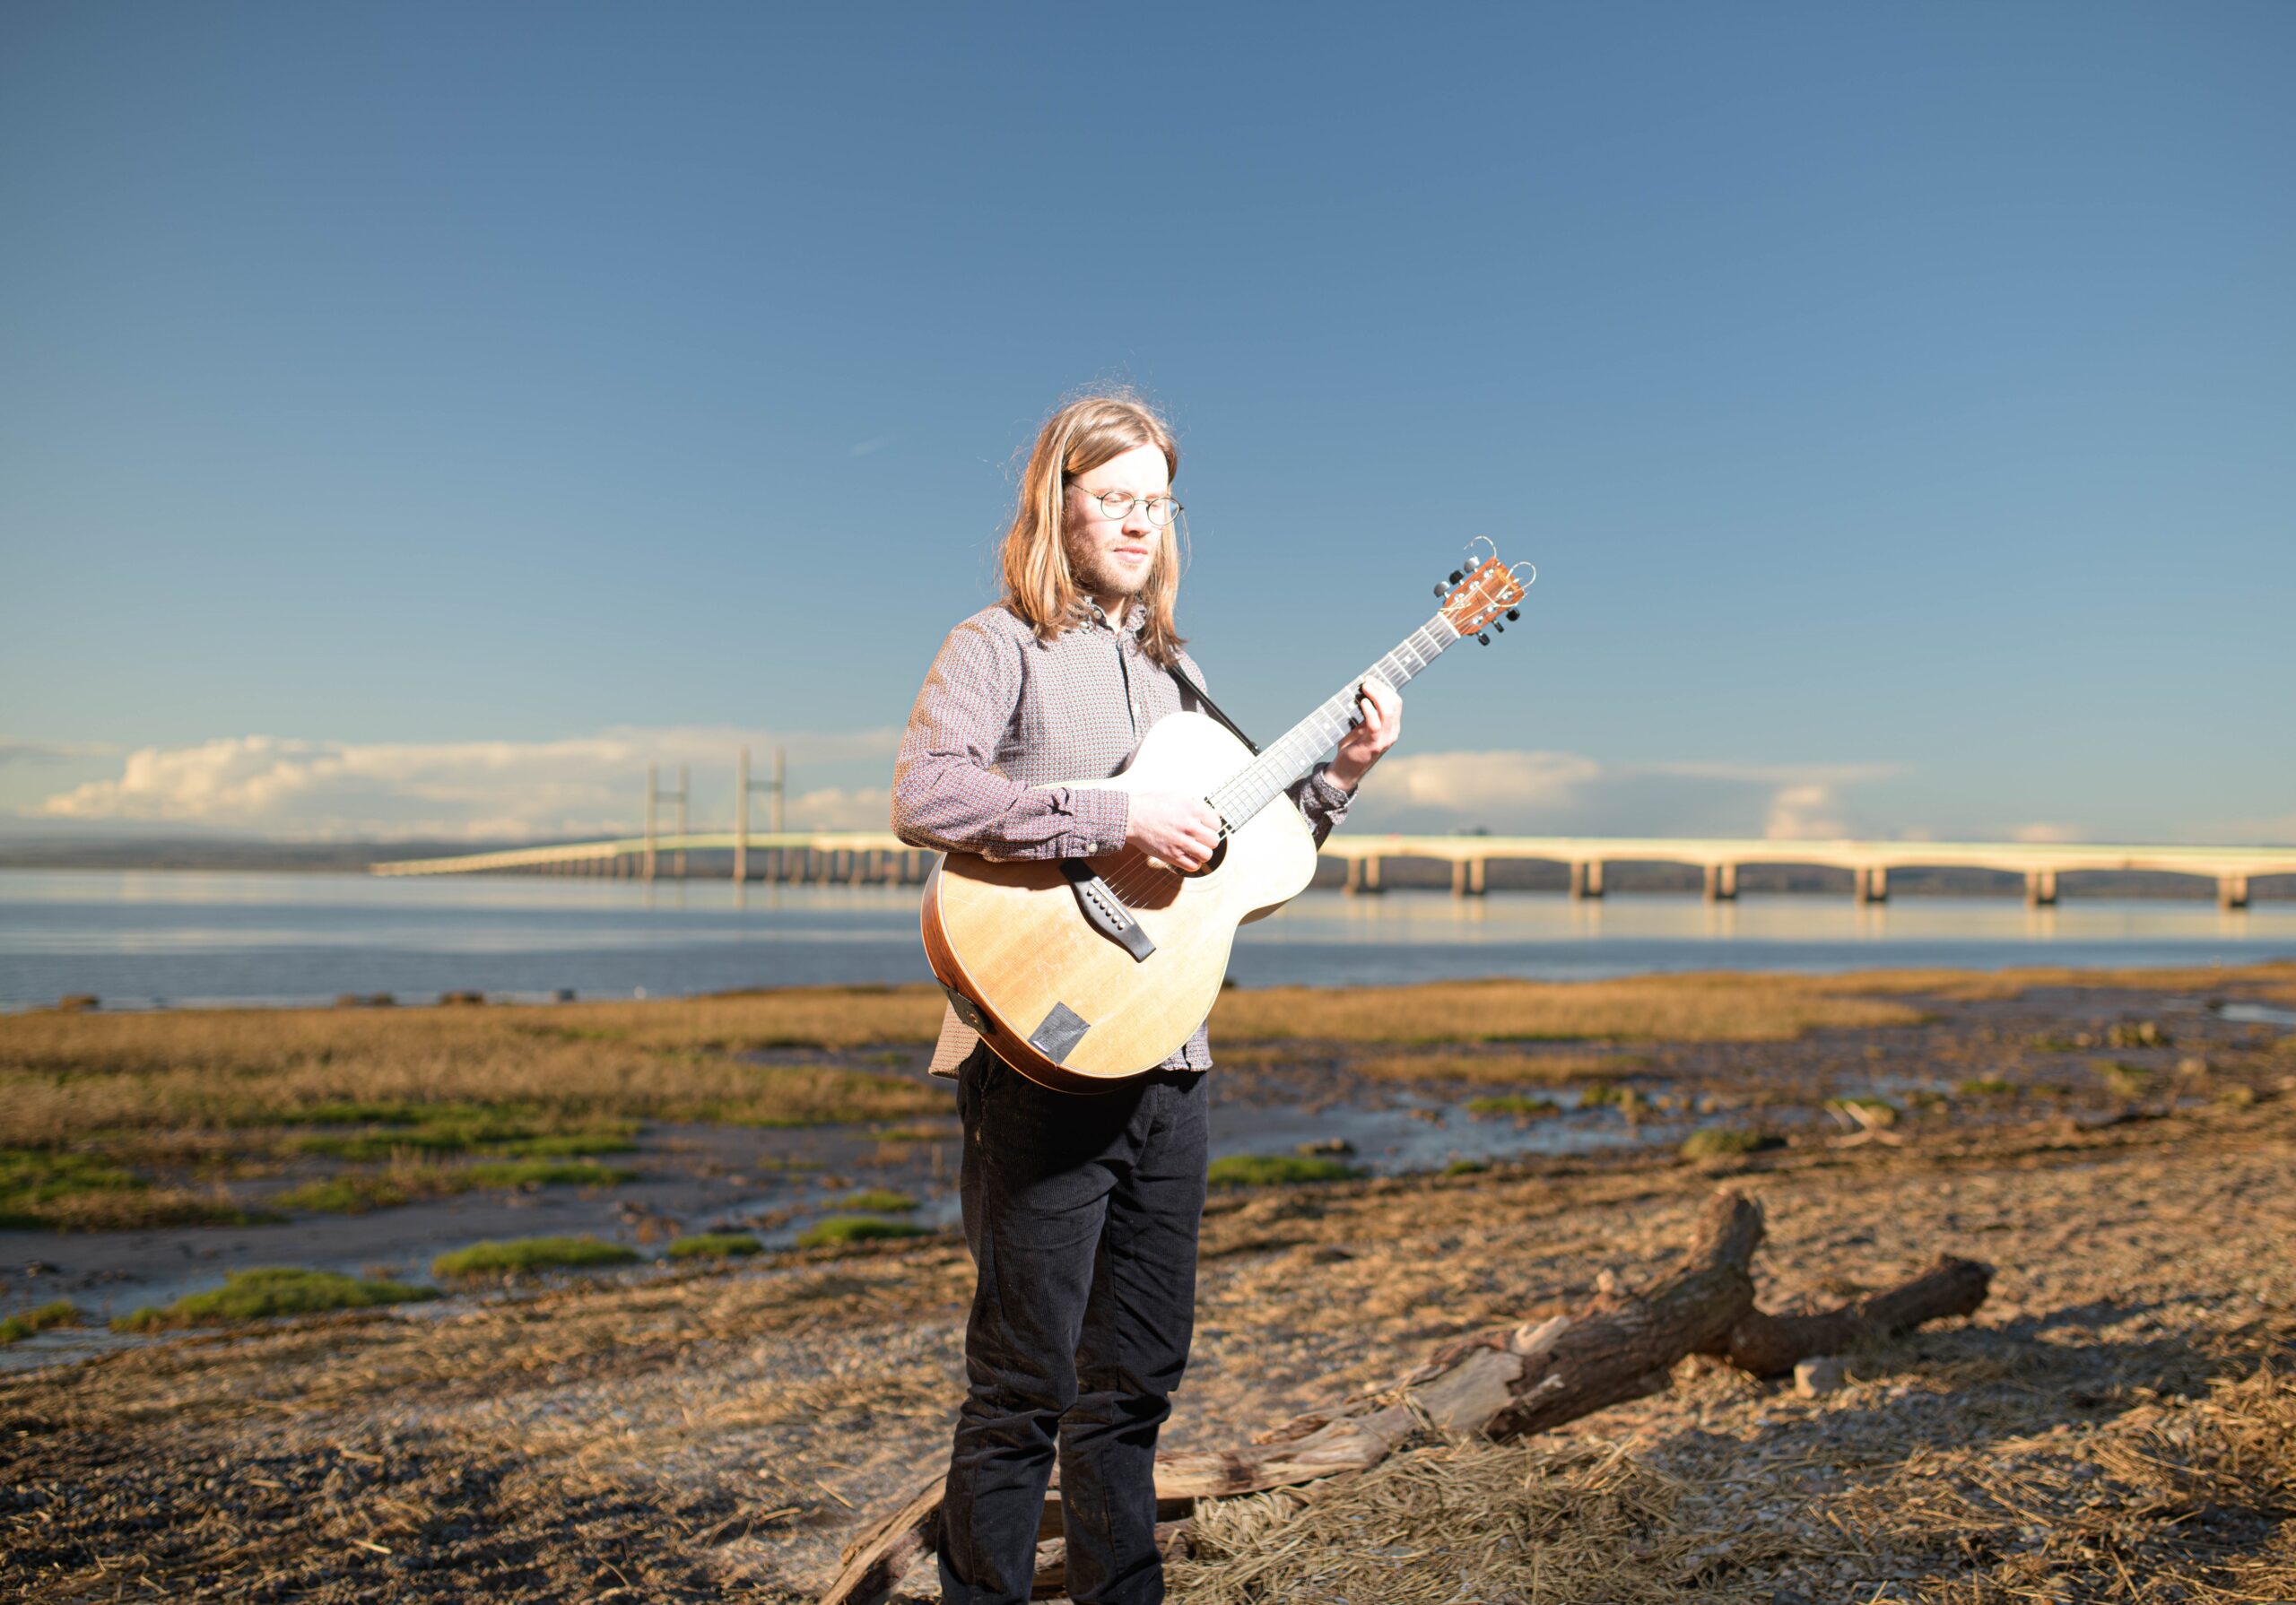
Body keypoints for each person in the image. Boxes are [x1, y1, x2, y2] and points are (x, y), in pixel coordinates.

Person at [890, 391, 1401, 1604]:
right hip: (1035, 1057)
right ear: (1057, 501)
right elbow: (926, 795)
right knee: (1021, 1388)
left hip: (1173, 1064)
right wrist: (1112, 812)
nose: (1134, 520)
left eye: (1153, 501)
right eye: (1111, 496)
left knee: (1132, 1390)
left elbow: (1242, 857)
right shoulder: (996, 643)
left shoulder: (1183, 676)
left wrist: (1339, 777)